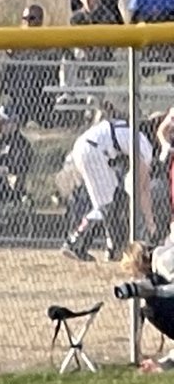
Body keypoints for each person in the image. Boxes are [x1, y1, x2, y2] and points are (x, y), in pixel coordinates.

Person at [61, 102, 155, 263]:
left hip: (88, 147)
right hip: (93, 151)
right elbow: (141, 188)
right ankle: (75, 242)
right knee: (106, 206)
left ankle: (113, 248)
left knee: (112, 202)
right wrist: (150, 222)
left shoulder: (132, 133)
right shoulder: (144, 144)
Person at [116, 241, 174, 373]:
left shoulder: (163, 262)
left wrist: (156, 291)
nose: (138, 279)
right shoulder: (161, 259)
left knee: (152, 308)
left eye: (135, 273)